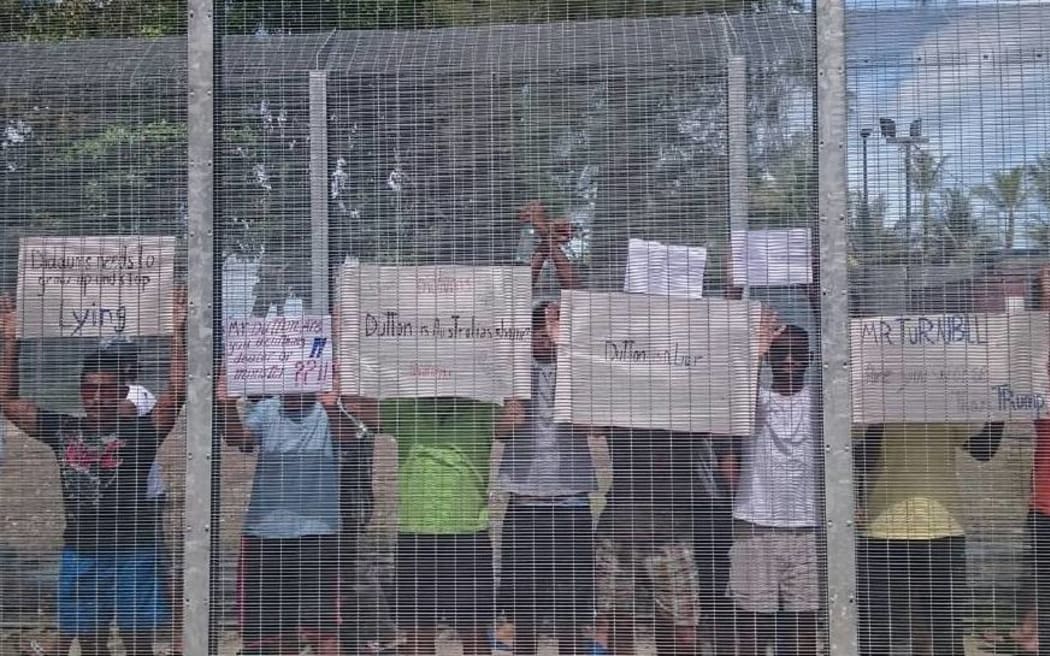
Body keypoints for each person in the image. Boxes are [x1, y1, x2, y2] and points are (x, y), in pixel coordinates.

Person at [0, 292, 186, 656]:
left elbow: (176, 393)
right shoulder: (64, 429)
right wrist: (10, 340)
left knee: (138, 643)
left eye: (106, 389)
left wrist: (177, 334)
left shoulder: (141, 432)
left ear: (122, 391)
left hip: (136, 550)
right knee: (90, 643)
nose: (97, 397)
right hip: (82, 551)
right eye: (89, 389)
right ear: (81, 393)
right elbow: (7, 401)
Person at [497, 207, 599, 655]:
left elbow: (576, 296)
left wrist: (552, 244)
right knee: (523, 616)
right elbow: (510, 299)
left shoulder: (579, 368)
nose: (543, 334)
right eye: (536, 326)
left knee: (574, 616)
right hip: (524, 501)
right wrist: (539, 242)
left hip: (572, 500)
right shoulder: (511, 368)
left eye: (552, 326)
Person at [218, 366, 360, 656]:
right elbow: (238, 439)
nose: (291, 388)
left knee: (324, 630)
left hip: (317, 536)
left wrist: (332, 407)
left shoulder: (328, 410)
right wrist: (226, 404)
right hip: (264, 536)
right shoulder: (268, 408)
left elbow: (348, 438)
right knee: (269, 635)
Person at [855, 415, 1003, 655]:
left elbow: (983, 450)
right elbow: (862, 458)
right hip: (884, 530)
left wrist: (999, 412)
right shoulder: (868, 404)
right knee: (877, 629)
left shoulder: (942, 403)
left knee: (946, 629)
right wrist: (880, 414)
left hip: (942, 529)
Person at [728, 324, 819, 656]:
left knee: (805, 620)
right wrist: (757, 350)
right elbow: (735, 388)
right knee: (752, 621)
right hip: (756, 524)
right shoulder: (756, 400)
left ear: (809, 357)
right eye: (780, 352)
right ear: (769, 358)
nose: (789, 359)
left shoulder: (820, 403)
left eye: (797, 352)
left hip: (809, 526)